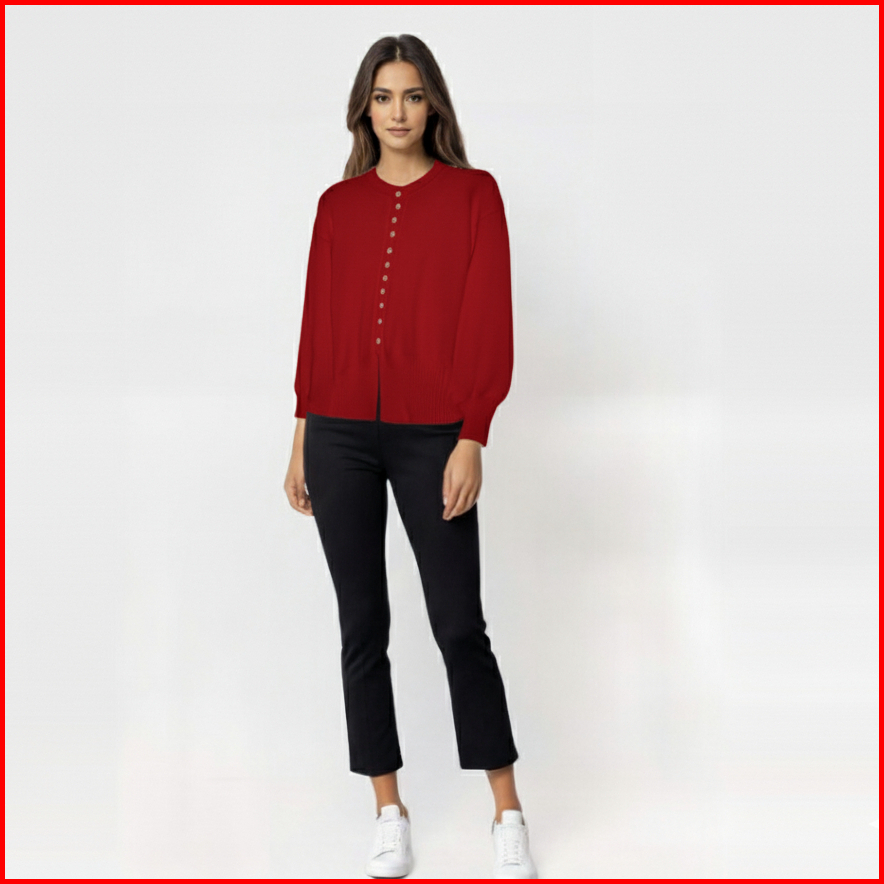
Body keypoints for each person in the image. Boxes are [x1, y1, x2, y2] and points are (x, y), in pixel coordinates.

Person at [283, 34, 538, 879]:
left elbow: (489, 317)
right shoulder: (336, 206)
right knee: (362, 626)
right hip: (337, 432)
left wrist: (472, 434)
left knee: (459, 624)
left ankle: (508, 810)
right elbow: (317, 325)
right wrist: (301, 436)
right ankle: (388, 808)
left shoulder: (473, 195)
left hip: (435, 435)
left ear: (434, 106)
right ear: (365, 107)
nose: (399, 112)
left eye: (414, 95)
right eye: (385, 96)